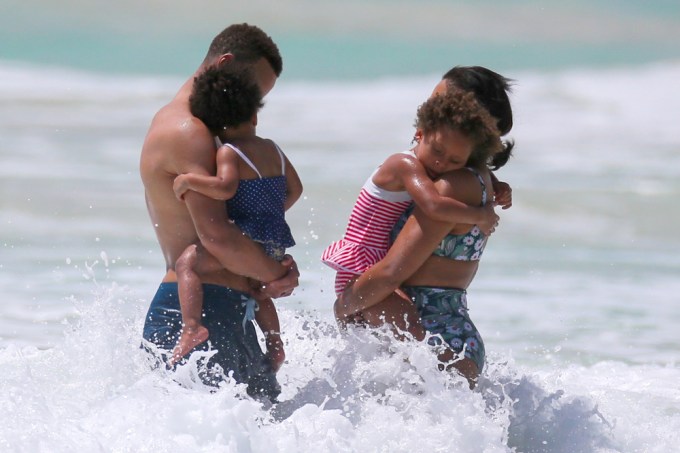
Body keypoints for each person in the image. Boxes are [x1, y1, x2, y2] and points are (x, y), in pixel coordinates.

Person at [140, 24, 298, 402]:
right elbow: (217, 236)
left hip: (224, 308)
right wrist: (277, 274)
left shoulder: (203, 131)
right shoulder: (191, 133)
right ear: (224, 65)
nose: (252, 104)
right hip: (197, 314)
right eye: (254, 91)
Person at [334, 66, 515, 388]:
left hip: (433, 343)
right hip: (457, 341)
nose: (428, 110)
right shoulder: (474, 182)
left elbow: (390, 273)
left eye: (438, 101)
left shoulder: (448, 188)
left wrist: (344, 306)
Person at [169, 62, 302, 373]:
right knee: (257, 290)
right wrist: (271, 212)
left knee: (186, 264)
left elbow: (225, 187)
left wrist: (189, 181)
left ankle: (191, 328)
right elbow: (295, 189)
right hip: (275, 240)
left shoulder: (230, 152)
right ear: (254, 115)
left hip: (247, 238)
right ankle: (276, 344)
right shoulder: (274, 150)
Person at [321, 89, 502, 297]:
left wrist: (496, 184)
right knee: (412, 326)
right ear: (419, 134)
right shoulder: (404, 164)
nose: (441, 163)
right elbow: (433, 205)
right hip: (360, 267)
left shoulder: (425, 169)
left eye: (455, 161)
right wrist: (480, 215)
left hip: (375, 265)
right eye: (437, 150)